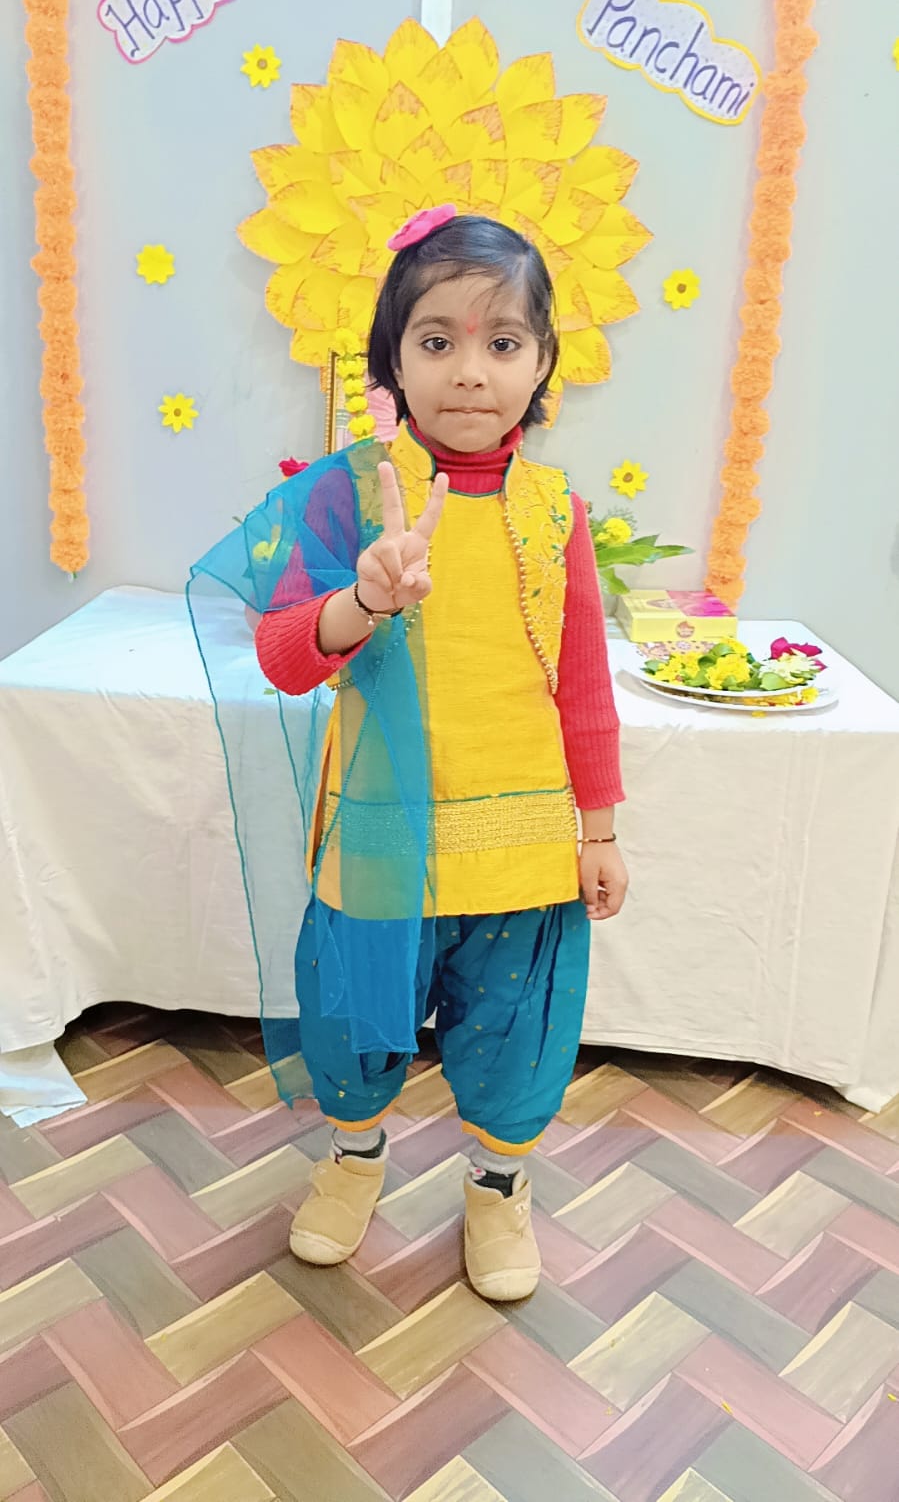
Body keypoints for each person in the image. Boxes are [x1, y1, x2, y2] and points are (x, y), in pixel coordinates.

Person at [203, 207, 627, 1302]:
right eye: (436, 340)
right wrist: (364, 597)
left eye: (502, 341)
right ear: (391, 359)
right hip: (381, 840)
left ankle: (497, 1188)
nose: (470, 371)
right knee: (352, 1020)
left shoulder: (555, 512)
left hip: (522, 842)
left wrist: (599, 830)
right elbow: (283, 657)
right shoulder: (346, 492)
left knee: (516, 1030)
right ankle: (353, 1161)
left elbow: (583, 686)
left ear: (541, 362)